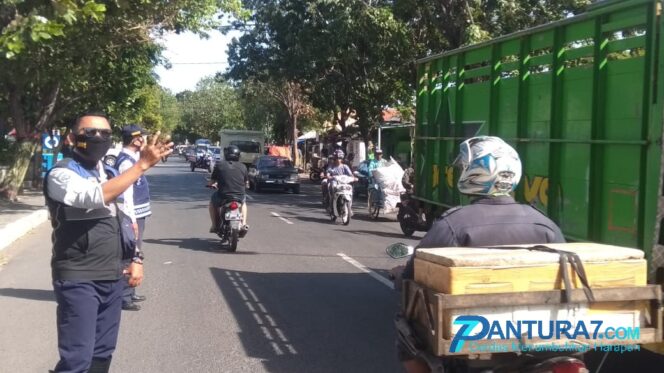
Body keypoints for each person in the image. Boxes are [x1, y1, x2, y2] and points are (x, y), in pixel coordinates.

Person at [396, 136, 565, 373]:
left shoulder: (453, 224)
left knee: (405, 333)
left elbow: (412, 277)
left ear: (475, 172)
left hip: (472, 337)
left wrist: (401, 279)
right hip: (542, 336)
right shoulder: (546, 225)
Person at [45, 111, 171, 373]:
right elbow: (92, 197)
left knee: (102, 355)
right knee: (77, 359)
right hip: (78, 276)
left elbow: (126, 218)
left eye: (105, 133)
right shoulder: (61, 173)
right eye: (90, 133)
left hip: (113, 275)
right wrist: (141, 166)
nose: (98, 138)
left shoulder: (110, 171)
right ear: (71, 138)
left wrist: (135, 258)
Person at [114, 124, 151, 312]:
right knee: (130, 252)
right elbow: (126, 193)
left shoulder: (132, 158)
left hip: (136, 213)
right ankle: (124, 296)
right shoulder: (125, 162)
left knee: (135, 251)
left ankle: (131, 289)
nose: (144, 140)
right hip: (130, 214)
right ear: (135, 139)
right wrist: (132, 219)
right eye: (142, 137)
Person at [208, 145, 249, 234]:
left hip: (223, 196)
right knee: (243, 203)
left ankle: (214, 225)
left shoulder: (219, 165)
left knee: (212, 203)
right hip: (239, 196)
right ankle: (244, 223)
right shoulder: (243, 166)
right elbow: (246, 183)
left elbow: (211, 182)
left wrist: (210, 185)